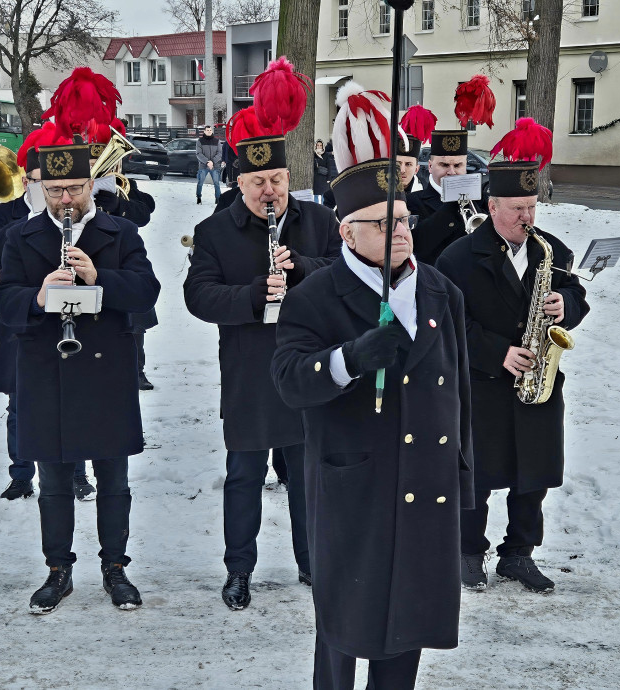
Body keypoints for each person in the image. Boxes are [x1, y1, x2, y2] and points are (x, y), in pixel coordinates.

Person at [270, 81, 473, 690]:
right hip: (355, 481)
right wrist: (350, 358)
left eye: (405, 219)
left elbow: (457, 393)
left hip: (426, 482)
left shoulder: (439, 290)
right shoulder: (314, 296)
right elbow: (288, 382)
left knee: (409, 621)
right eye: (382, 223)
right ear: (346, 232)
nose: (401, 231)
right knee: (345, 626)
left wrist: (463, 473)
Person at [0, 67, 160, 613]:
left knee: (114, 480)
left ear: (93, 187)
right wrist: (40, 295)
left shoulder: (121, 233)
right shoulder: (22, 236)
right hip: (46, 370)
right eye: (56, 189)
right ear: (40, 187)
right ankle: (58, 568)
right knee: (56, 481)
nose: (66, 200)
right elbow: (4, 300)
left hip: (107, 371)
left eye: (76, 189)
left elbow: (146, 291)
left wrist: (98, 279)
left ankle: (116, 568)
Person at [184, 57, 341, 611]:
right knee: (244, 477)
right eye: (257, 183)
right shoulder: (214, 231)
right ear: (239, 181)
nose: (268, 191)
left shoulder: (318, 222)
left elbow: (343, 276)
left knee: (305, 477)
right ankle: (239, 569)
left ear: (288, 179)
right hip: (250, 371)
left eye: (276, 180)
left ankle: (311, 561)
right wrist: (255, 294)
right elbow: (198, 296)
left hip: (304, 368)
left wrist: (298, 266)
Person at [435, 120, 590, 594]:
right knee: (477, 476)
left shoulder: (551, 249)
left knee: (533, 476)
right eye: (517, 208)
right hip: (484, 384)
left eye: (531, 206)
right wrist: (497, 352)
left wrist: (569, 304)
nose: (527, 216)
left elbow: (576, 292)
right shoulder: (458, 258)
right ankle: (468, 551)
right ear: (492, 206)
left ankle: (519, 554)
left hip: (538, 382)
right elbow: (448, 324)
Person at [0, 123, 97, 502]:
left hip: (73, 321)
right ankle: (20, 473)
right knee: (19, 403)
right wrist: (32, 221)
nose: (40, 186)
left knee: (75, 400)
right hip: (22, 322)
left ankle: (78, 472)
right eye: (34, 180)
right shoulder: (4, 214)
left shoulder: (74, 213)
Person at [88, 116, 160, 391]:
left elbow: (143, 215)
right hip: (90, 260)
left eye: (102, 162)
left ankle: (137, 369)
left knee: (134, 322)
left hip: (122, 260)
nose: (97, 167)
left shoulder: (124, 184)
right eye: (93, 163)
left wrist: (119, 204)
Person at [408, 76, 497, 266]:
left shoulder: (479, 202)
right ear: (430, 166)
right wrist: (452, 204)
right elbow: (419, 246)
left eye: (458, 166)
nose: (451, 172)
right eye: (444, 165)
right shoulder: (413, 202)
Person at [196, 124, 223, 205]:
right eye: (207, 130)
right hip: (203, 165)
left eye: (210, 130)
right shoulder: (200, 141)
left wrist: (212, 162)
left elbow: (219, 153)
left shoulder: (217, 141)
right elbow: (198, 154)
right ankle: (199, 197)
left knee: (216, 183)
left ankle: (218, 198)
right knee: (200, 182)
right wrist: (207, 162)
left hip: (215, 166)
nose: (209, 131)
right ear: (204, 131)